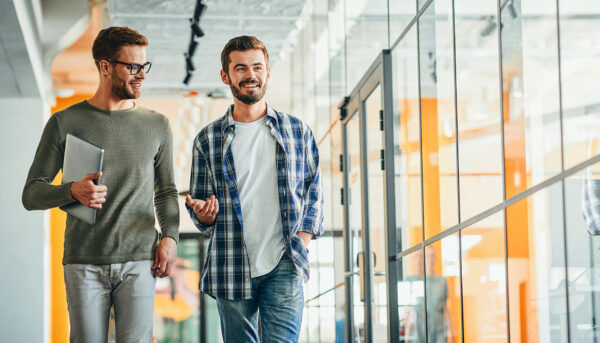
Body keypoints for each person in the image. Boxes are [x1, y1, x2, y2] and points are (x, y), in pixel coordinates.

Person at [22, 26, 179, 342]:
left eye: (144, 66)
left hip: (140, 260)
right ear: (105, 66)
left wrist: (171, 237)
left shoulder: (157, 125)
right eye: (132, 67)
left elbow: (166, 191)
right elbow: (31, 193)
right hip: (84, 262)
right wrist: (71, 191)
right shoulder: (65, 122)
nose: (141, 75)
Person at [185, 35, 324, 343]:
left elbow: (314, 191)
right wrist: (205, 216)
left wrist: (302, 240)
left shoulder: (296, 131)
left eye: (257, 67)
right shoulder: (207, 140)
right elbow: (200, 211)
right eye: (240, 68)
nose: (251, 75)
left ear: (268, 71)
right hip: (231, 261)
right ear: (226, 76)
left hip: (285, 261)